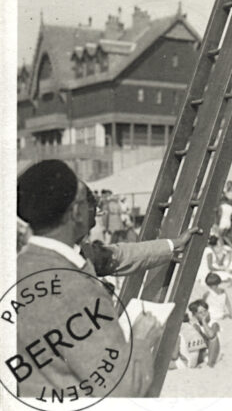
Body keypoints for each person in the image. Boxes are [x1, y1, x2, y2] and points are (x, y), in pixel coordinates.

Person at [15, 160, 198, 397]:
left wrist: (171, 245)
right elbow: (120, 388)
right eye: (85, 202)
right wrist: (140, 339)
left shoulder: (21, 266)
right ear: (76, 212)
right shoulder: (74, 286)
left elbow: (118, 255)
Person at [188, 299, 221, 368]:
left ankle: (210, 365)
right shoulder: (196, 325)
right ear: (195, 315)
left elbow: (211, 335)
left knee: (213, 338)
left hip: (215, 353)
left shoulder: (214, 323)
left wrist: (203, 321)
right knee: (194, 330)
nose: (204, 314)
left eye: (205, 311)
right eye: (200, 312)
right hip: (203, 353)